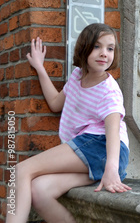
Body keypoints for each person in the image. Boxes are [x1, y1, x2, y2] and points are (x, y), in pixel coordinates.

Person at [7, 23, 130, 223]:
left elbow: (114, 132)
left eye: (110, 48)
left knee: (21, 170)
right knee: (40, 190)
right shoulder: (77, 77)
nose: (104, 54)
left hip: (104, 149)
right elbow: (56, 103)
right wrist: (40, 67)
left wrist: (111, 169)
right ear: (84, 47)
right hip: (95, 154)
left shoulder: (109, 91)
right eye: (97, 46)